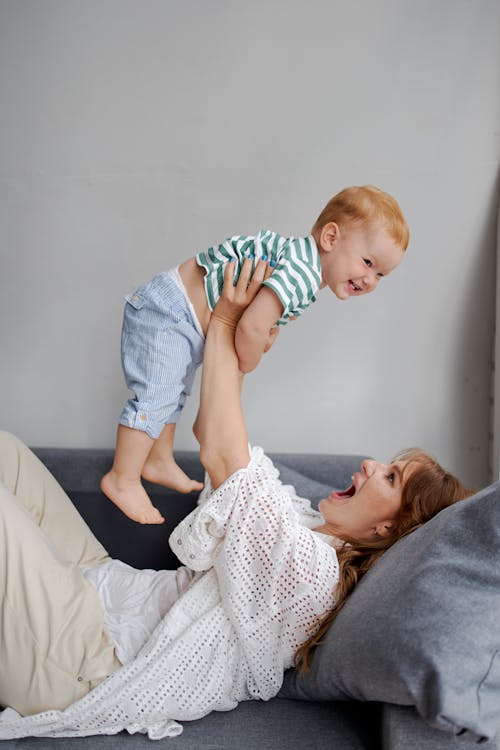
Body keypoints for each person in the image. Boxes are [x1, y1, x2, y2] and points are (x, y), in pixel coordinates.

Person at [0, 260, 469, 741]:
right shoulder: (303, 522)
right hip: (107, 589)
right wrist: (242, 343)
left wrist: (224, 322)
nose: (370, 465)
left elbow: (225, 456)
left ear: (388, 530)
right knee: (7, 453)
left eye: (389, 477)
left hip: (86, 657)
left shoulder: (312, 577)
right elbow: (215, 436)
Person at [101, 185, 409, 525]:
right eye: (367, 263)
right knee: (156, 395)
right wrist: (252, 357)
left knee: (173, 391)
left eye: (381, 274)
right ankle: (123, 478)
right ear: (331, 238)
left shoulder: (301, 263)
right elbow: (249, 328)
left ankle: (157, 459)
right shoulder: (303, 275)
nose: (370, 280)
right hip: (169, 311)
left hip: (179, 313)